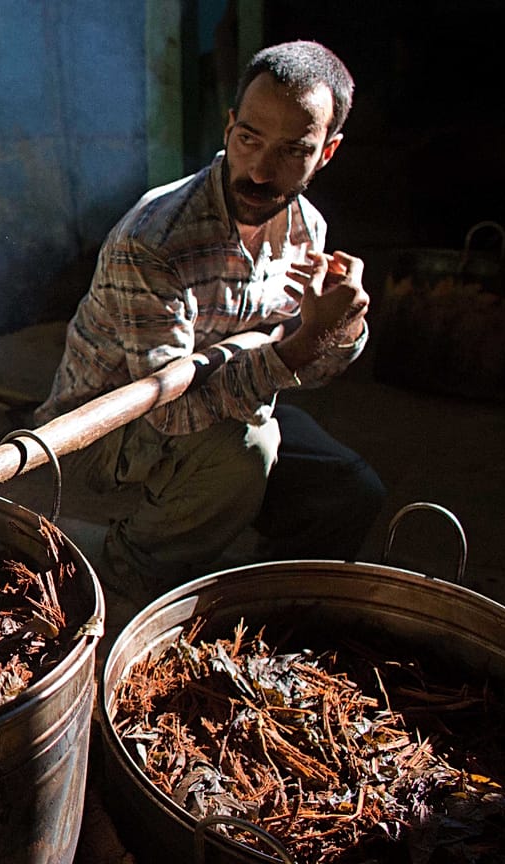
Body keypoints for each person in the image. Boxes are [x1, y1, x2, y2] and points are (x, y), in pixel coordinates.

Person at [36, 40, 385, 601]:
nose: (260, 170)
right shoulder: (154, 241)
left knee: (350, 491)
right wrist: (300, 346)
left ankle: (264, 600)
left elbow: (306, 369)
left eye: (292, 151)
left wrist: (341, 328)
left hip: (228, 402)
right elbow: (170, 409)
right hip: (102, 434)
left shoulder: (305, 229)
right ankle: (131, 573)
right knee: (248, 450)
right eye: (249, 138)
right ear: (228, 128)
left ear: (327, 153)